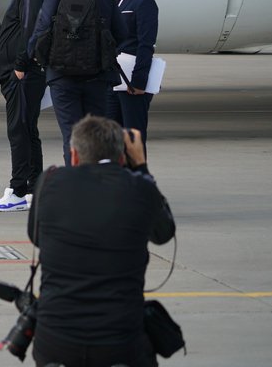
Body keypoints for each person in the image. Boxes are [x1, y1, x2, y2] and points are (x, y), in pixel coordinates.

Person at [28, 115, 175, 367]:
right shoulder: (138, 187)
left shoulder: (49, 181)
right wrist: (141, 167)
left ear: (74, 156)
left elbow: (36, 237)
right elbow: (163, 233)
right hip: (119, 340)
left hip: (56, 339)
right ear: (122, 157)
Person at [23, 0, 127, 166]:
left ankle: (75, 191)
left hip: (62, 75)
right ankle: (96, 191)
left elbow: (43, 25)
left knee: (71, 136)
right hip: (98, 76)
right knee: (96, 139)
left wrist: (32, 57)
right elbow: (121, 33)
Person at [0, 0, 46, 213]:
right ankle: (34, 188)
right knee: (27, 130)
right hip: (18, 75)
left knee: (19, 130)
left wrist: (21, 66)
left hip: (23, 75)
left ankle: (18, 189)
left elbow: (31, 28)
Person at [104, 0, 159, 152]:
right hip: (113, 81)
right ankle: (117, 181)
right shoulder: (111, 1)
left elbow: (146, 44)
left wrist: (138, 81)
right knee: (110, 138)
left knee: (133, 139)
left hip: (132, 84)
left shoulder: (143, 1)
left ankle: (137, 180)